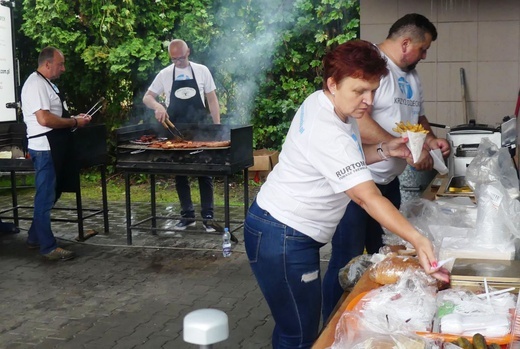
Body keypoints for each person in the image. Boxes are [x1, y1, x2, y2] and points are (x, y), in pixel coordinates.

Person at [243, 40, 450, 349]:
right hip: (282, 235)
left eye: (373, 90)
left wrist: (385, 148)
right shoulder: (325, 127)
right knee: (298, 334)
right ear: (333, 83)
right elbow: (367, 197)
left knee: (299, 327)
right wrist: (418, 239)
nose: (367, 101)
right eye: (359, 91)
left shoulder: (324, 102)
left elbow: (349, 157)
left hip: (283, 231)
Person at [321, 13, 451, 322]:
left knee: (383, 261)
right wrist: (400, 147)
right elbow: (359, 119)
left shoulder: (411, 77)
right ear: (406, 43)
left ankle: (371, 321)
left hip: (387, 180)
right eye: (423, 48)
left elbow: (417, 117)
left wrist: (429, 140)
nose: (424, 55)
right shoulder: (370, 65)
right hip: (356, 183)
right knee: (346, 262)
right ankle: (330, 327)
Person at [143, 39, 222, 233]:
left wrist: (217, 127)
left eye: (181, 58)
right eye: (174, 59)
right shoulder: (165, 74)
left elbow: (212, 100)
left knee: (205, 172)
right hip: (176, 129)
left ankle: (208, 216)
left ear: (189, 52)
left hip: (200, 128)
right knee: (180, 172)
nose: (178, 62)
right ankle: (187, 215)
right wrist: (158, 106)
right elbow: (147, 97)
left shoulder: (202, 71)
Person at [21, 46, 92, 261]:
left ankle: (35, 237)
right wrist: (73, 122)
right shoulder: (35, 84)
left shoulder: (47, 84)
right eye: (60, 64)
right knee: (44, 197)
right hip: (44, 148)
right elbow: (44, 120)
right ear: (47, 63)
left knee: (53, 192)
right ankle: (48, 247)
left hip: (54, 146)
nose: (63, 68)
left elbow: (54, 114)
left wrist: (74, 117)